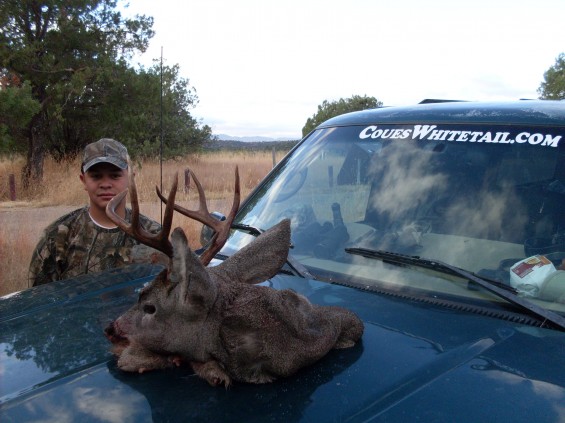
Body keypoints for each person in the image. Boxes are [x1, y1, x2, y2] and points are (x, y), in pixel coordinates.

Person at [29, 138, 162, 287]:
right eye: (96, 176)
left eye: (115, 175)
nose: (105, 184)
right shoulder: (57, 236)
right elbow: (38, 302)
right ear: (84, 181)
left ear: (131, 179)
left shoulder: (153, 234)